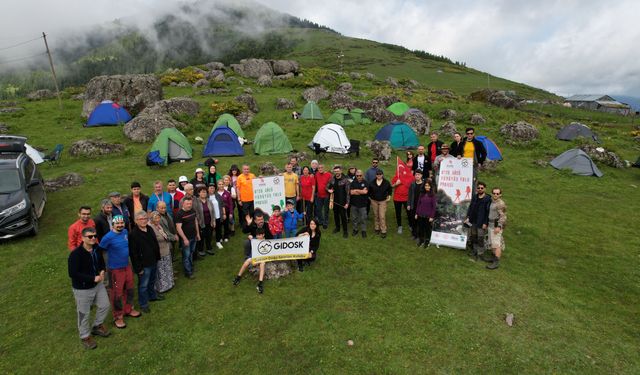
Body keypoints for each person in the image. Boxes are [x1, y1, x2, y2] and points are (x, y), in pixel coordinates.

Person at [68, 227, 110, 349]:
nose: (93, 238)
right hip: (83, 289)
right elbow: (73, 273)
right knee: (83, 313)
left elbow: (101, 261)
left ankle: (97, 326)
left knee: (105, 305)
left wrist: (102, 270)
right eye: (90, 237)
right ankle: (85, 336)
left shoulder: (96, 249)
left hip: (98, 284)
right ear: (82, 238)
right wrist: (92, 278)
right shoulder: (75, 254)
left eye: (94, 236)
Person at [98, 216, 141, 329]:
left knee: (130, 288)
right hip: (115, 269)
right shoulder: (107, 237)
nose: (120, 225)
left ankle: (129, 309)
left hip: (127, 265)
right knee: (116, 293)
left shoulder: (125, 232)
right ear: (113, 224)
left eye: (122, 223)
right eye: (118, 223)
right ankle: (118, 316)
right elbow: (99, 251)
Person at [128, 211, 162, 314]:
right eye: (141, 219)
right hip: (144, 265)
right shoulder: (133, 234)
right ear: (136, 221)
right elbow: (133, 253)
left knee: (152, 281)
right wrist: (139, 268)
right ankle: (143, 304)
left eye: (145, 219)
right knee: (143, 285)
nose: (143, 221)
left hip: (153, 260)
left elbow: (155, 244)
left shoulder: (150, 228)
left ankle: (152, 296)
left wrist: (157, 257)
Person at [233, 228, 268, 294]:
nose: (258, 236)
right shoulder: (254, 239)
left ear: (263, 235)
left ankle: (260, 283)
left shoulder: (266, 241)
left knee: (262, 264)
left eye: (260, 235)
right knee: (246, 262)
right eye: (257, 235)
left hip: (261, 258)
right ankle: (238, 277)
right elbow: (250, 237)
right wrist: (250, 237)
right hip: (253, 256)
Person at [149, 211, 175, 293]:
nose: (157, 219)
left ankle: (169, 284)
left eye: (158, 217)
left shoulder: (159, 225)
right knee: (161, 270)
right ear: (152, 219)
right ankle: (162, 287)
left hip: (166, 250)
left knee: (167, 268)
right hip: (159, 252)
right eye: (155, 218)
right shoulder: (150, 227)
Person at [175, 197, 200, 279]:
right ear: (183, 204)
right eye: (187, 204)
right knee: (186, 255)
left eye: (190, 203)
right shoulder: (179, 214)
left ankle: (191, 267)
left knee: (191, 253)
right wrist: (185, 239)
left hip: (194, 236)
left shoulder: (192, 211)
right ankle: (188, 272)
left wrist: (198, 234)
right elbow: (178, 228)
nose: (189, 205)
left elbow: (195, 222)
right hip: (186, 239)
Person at [465, 182, 491, 260]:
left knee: (480, 238)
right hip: (473, 221)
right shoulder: (475, 197)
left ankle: (480, 254)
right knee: (473, 236)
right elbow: (470, 207)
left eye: (482, 188)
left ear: (485, 189)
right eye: (478, 188)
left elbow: (488, 212)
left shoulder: (487, 199)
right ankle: (474, 251)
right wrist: (468, 217)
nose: (480, 189)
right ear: (477, 189)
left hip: (481, 222)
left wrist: (485, 223)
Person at [326, 165, 350, 238]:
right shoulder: (332, 179)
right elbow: (326, 187)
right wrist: (328, 190)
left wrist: (347, 203)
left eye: (338, 171)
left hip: (342, 202)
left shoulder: (345, 180)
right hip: (334, 201)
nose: (337, 172)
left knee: (343, 217)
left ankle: (345, 231)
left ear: (341, 171)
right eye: (335, 171)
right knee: (336, 215)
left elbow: (348, 193)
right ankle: (337, 228)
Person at [486, 187, 507, 270]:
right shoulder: (492, 201)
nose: (495, 195)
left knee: (496, 244)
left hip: (496, 226)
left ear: (500, 195)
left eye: (497, 193)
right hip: (490, 224)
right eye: (494, 193)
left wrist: (499, 226)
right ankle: (493, 258)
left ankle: (496, 262)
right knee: (492, 243)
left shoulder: (500, 204)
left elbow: (503, 216)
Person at [368, 170, 392, 238]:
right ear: (376, 175)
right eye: (377, 174)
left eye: (380, 174)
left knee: (382, 216)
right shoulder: (372, 182)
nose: (379, 176)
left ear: (382, 175)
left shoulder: (386, 182)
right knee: (376, 215)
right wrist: (370, 198)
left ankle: (383, 230)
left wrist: (389, 196)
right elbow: (369, 191)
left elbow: (390, 190)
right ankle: (377, 228)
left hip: (383, 201)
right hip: (374, 201)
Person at [193, 187, 215, 257]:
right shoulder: (196, 202)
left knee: (209, 235)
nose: (203, 193)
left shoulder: (209, 201)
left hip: (209, 222)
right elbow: (196, 213)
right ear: (199, 193)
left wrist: (213, 221)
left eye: (205, 192)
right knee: (201, 236)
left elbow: (213, 211)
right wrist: (199, 222)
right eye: (202, 192)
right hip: (201, 222)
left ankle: (209, 248)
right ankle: (201, 250)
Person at [391, 163, 412, 235]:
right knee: (398, 212)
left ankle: (410, 224)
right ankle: (399, 226)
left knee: (409, 212)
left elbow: (412, 186)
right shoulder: (396, 177)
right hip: (397, 198)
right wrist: (396, 184)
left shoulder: (409, 177)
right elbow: (392, 186)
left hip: (406, 198)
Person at [415, 181, 437, 247]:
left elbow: (434, 207)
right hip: (420, 215)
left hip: (428, 216)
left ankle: (427, 241)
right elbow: (418, 204)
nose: (427, 187)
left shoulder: (433, 195)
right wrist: (416, 213)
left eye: (428, 186)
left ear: (430, 186)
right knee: (421, 228)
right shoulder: (421, 194)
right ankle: (421, 240)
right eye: (426, 186)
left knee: (427, 229)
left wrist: (432, 216)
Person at [349, 169, 368, 238]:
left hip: (363, 204)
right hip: (354, 204)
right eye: (357, 175)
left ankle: (363, 230)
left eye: (360, 175)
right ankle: (355, 229)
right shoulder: (353, 183)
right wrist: (361, 191)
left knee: (363, 218)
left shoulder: (366, 182)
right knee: (354, 218)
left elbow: (365, 192)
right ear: (356, 176)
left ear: (362, 175)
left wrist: (356, 190)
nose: (359, 177)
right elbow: (351, 192)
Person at [407, 170, 425, 240]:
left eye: (419, 175)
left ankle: (419, 236)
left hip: (421, 206)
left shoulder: (424, 185)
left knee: (420, 221)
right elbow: (409, 195)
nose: (417, 176)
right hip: (413, 205)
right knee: (413, 221)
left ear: (421, 175)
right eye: (416, 175)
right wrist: (408, 204)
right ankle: (414, 234)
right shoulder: (412, 184)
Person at [207, 184, 225, 250]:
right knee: (210, 231)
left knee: (218, 229)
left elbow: (222, 205)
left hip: (218, 216)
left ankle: (218, 242)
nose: (212, 189)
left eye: (213, 188)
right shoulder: (206, 197)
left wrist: (224, 214)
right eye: (210, 188)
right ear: (208, 189)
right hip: (210, 218)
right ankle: (209, 244)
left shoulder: (217, 196)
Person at [314, 164, 332, 229]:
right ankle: (321, 221)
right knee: (318, 209)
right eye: (319, 168)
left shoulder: (329, 175)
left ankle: (325, 222)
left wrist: (331, 190)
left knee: (326, 210)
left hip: (326, 195)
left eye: (321, 168)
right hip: (319, 195)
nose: (320, 169)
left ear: (324, 168)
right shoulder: (316, 174)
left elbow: (332, 184)